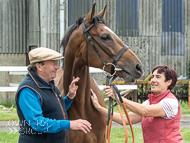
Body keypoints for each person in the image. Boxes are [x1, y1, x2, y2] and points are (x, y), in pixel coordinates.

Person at [15, 47, 91, 143]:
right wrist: (69, 124)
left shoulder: (48, 84)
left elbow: (55, 111)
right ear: (39, 66)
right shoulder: (28, 90)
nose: (57, 67)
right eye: (53, 63)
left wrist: (69, 97)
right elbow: (37, 123)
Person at [91, 65, 183, 143]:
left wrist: (118, 97)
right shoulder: (149, 102)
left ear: (169, 82)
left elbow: (144, 111)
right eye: (152, 77)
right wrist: (99, 108)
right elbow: (125, 119)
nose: (153, 80)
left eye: (158, 77)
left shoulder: (171, 102)